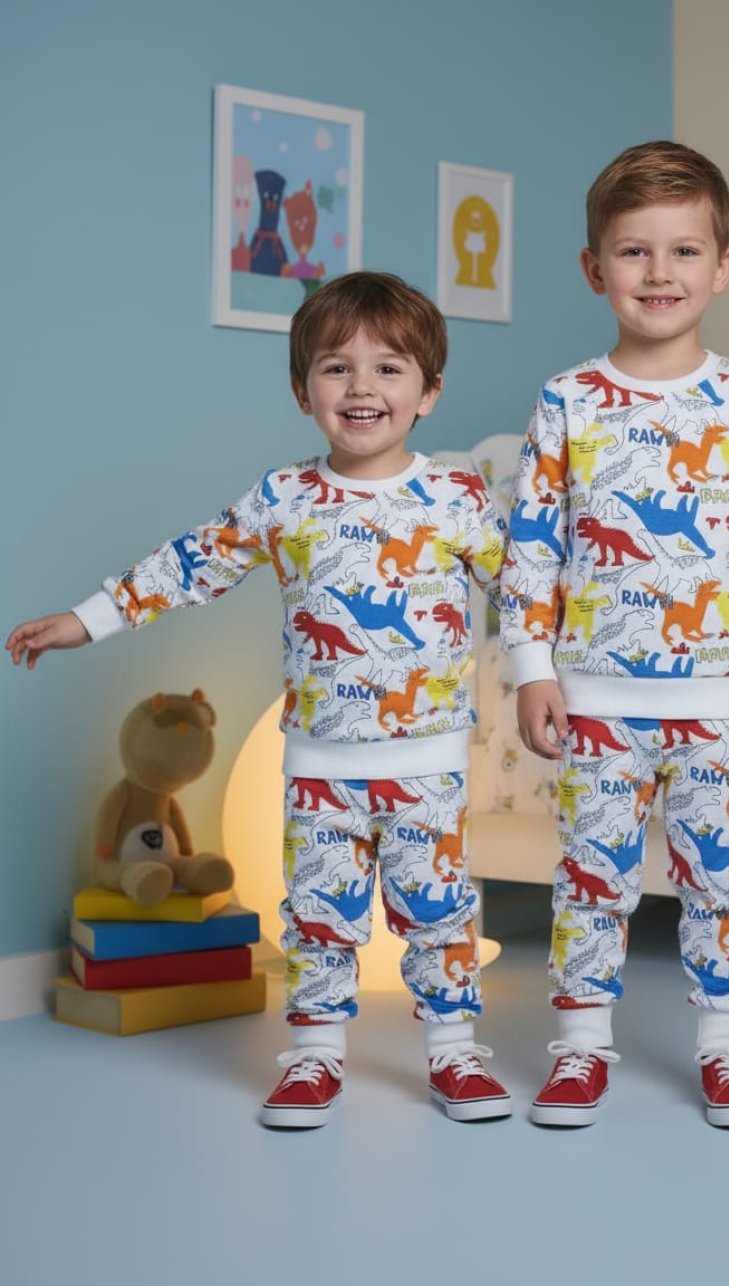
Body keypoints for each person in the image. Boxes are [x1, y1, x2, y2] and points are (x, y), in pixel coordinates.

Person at [7, 271, 513, 1130]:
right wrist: (87, 619)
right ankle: (314, 1058)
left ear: (428, 392)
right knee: (318, 917)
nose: (361, 387)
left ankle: (455, 1053)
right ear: (302, 390)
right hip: (320, 766)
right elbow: (191, 562)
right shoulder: (285, 499)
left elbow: (534, 595)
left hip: (427, 765)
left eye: (388, 369)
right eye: (336, 367)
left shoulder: (459, 499)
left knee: (439, 914)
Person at [499, 140, 729, 1129]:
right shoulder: (567, 400)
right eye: (634, 251)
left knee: (722, 877)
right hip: (596, 700)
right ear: (594, 267)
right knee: (589, 878)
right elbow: (532, 544)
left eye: (684, 251)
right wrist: (530, 665)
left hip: (723, 699)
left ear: (723, 266)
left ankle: (727, 1046)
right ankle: (579, 1045)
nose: (658, 272)